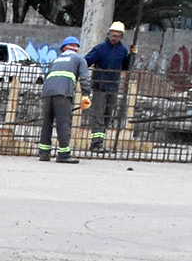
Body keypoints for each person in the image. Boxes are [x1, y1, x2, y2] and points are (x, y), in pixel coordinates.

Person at [84, 22, 131, 151]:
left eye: (116, 36)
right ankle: (96, 143)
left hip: (113, 87)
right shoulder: (100, 48)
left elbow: (126, 67)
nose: (113, 38)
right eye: (112, 35)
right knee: (98, 116)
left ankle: (100, 141)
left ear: (121, 36)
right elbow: (86, 61)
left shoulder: (123, 51)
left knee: (107, 116)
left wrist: (131, 56)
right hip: (100, 87)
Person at [38, 39, 82, 162]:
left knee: (47, 122)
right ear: (76, 48)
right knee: (63, 123)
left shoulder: (55, 60)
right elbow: (85, 78)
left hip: (47, 93)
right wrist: (86, 95)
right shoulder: (78, 59)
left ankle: (44, 153)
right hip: (63, 93)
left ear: (62, 49)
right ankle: (63, 154)